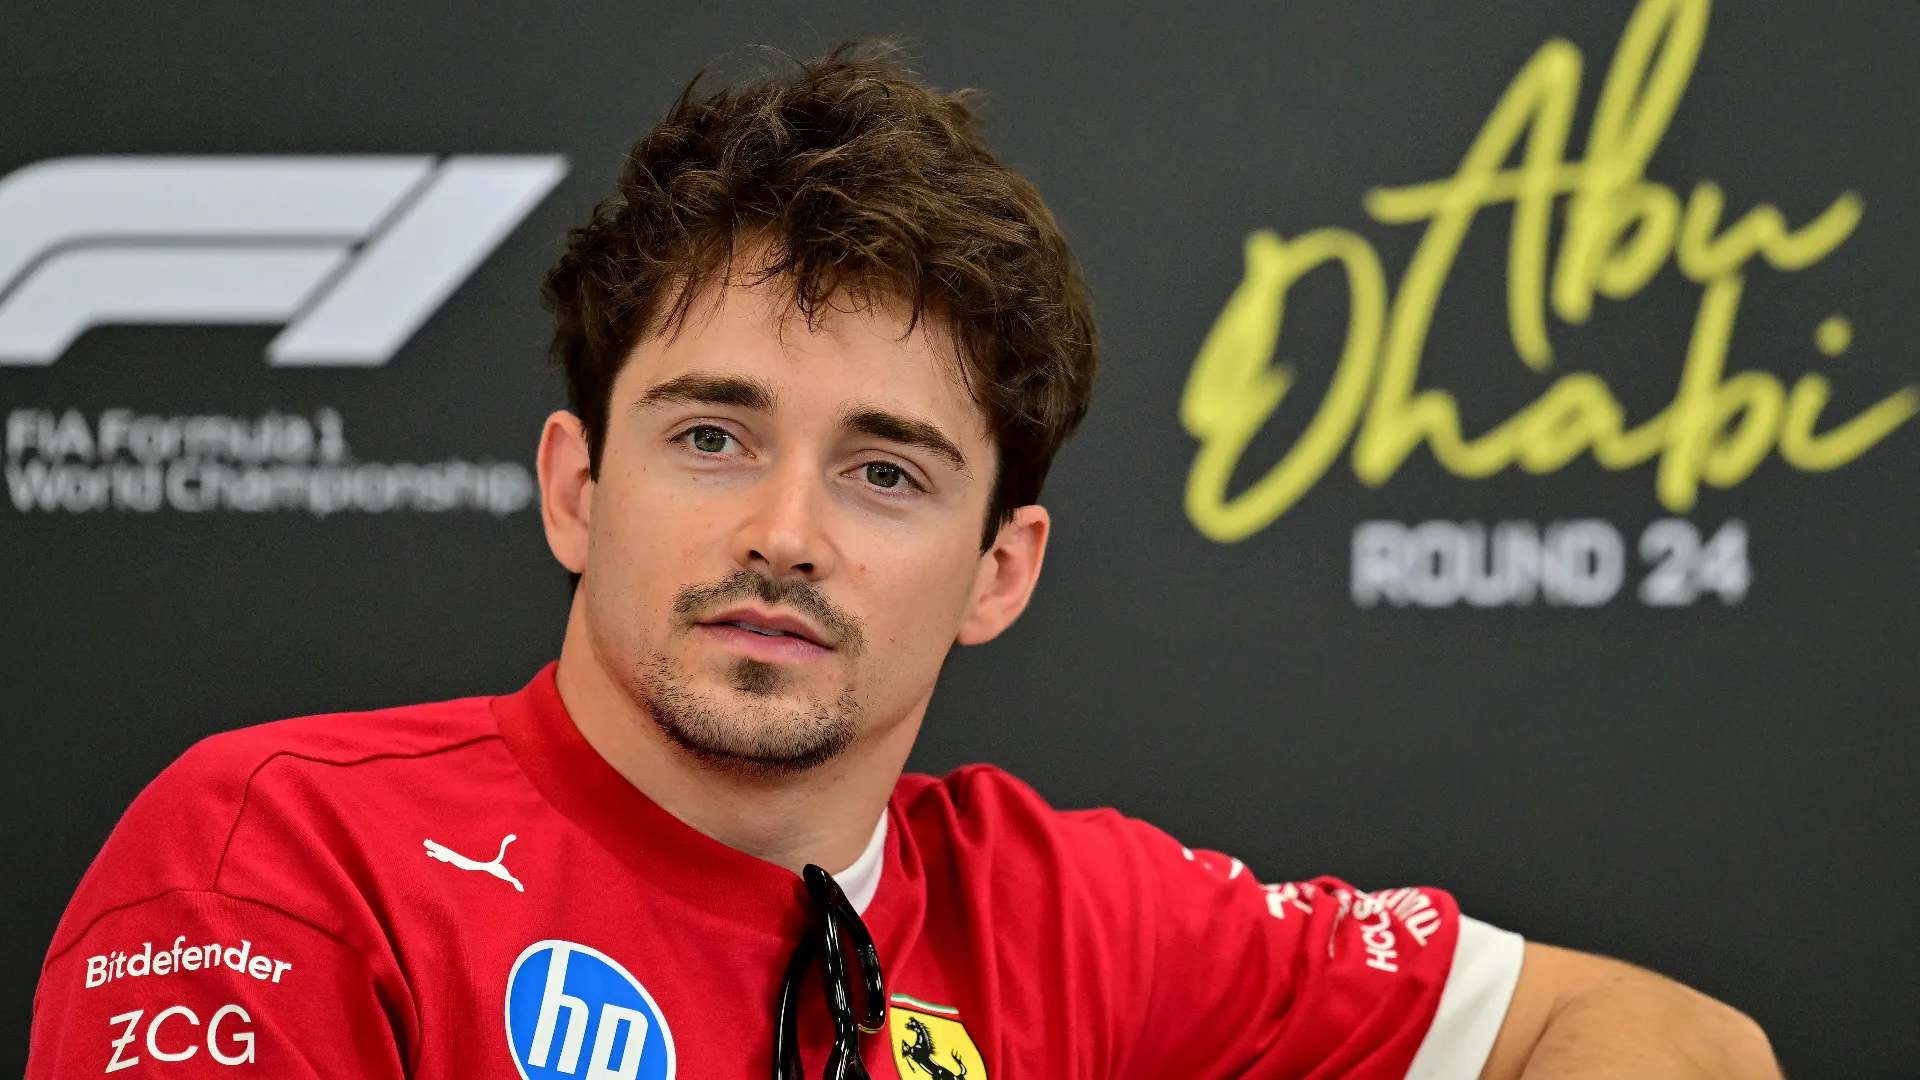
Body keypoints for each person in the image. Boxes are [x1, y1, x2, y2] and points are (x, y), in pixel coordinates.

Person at [27, 47, 1778, 1080]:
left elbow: (1673, 1041)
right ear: (575, 489)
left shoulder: (1073, 918)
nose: (784, 534)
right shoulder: (283, 858)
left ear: (1002, 569)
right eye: (713, 437)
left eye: (885, 473)